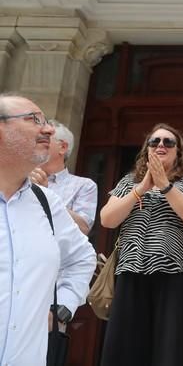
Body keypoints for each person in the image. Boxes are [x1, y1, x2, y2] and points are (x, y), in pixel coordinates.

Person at [0, 93, 96, 365]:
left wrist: (62, 307)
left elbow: (82, 258)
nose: (49, 129)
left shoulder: (47, 202)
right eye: (34, 120)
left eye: (46, 121)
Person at [99, 123, 183, 366]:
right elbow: (107, 219)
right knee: (125, 347)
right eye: (154, 141)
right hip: (131, 271)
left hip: (176, 274)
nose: (160, 146)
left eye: (168, 142)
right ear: (146, 149)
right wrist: (142, 188)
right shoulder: (129, 181)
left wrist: (165, 185)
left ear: (178, 151)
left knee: (169, 349)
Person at [29, 120, 98, 235]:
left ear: (63, 147)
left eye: (44, 139)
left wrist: (46, 195)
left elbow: (83, 228)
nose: (37, 144)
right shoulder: (21, 177)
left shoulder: (84, 185)